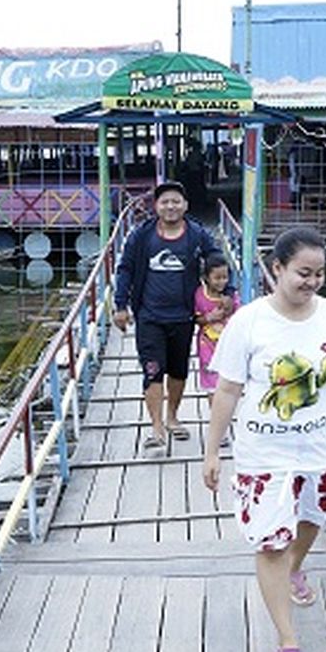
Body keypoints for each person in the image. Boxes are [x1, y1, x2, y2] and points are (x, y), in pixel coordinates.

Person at [201, 226, 326, 652]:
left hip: (319, 447)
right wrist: (212, 451)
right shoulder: (249, 322)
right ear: (277, 268)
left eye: (320, 273)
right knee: (271, 544)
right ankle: (288, 642)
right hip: (263, 453)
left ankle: (296, 567)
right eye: (304, 272)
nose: (313, 281)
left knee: (312, 519)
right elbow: (227, 391)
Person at [113, 181, 225, 450]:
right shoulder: (142, 235)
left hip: (184, 316)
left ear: (185, 205)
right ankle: (157, 428)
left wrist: (227, 292)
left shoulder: (196, 234)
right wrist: (120, 305)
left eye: (176, 201)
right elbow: (125, 268)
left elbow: (217, 259)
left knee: (178, 370)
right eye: (165, 202)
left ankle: (172, 417)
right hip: (149, 316)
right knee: (152, 371)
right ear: (156, 206)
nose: (170, 206)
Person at [193, 252, 240, 431]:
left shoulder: (231, 297)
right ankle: (218, 425)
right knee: (212, 387)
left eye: (225, 277)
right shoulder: (199, 295)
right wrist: (209, 317)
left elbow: (240, 316)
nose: (222, 282)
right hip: (208, 347)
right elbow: (196, 318)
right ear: (206, 277)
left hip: (228, 346)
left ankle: (224, 421)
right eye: (217, 278)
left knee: (228, 385)